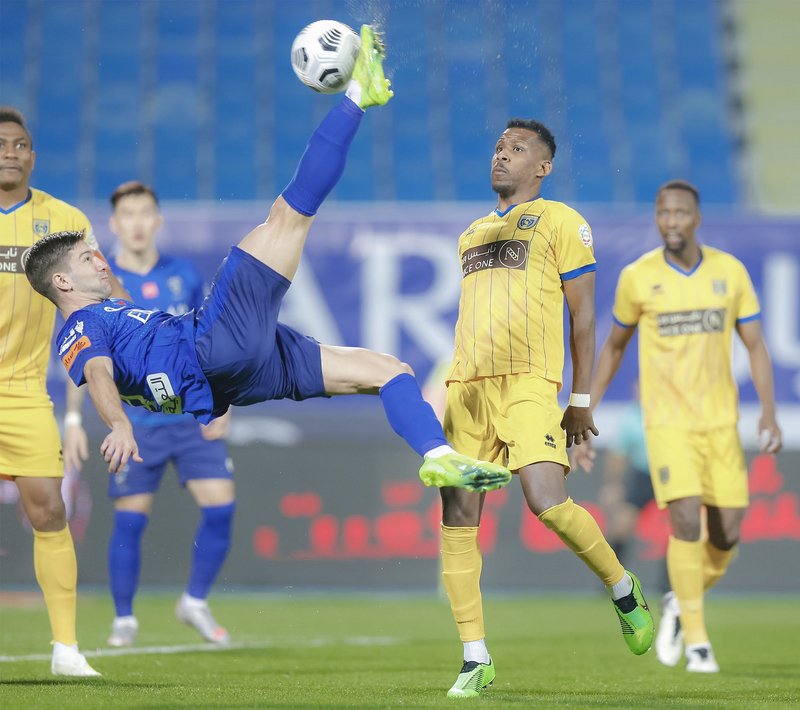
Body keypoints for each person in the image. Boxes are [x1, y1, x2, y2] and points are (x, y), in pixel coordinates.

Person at [23, 28, 511, 518]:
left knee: (390, 372)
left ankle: (438, 456)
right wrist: (119, 425)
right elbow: (99, 374)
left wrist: (104, 268)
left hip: (235, 382)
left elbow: (118, 317)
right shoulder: (81, 330)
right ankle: (361, 94)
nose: (98, 259)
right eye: (86, 259)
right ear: (62, 284)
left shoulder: (111, 314)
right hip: (212, 346)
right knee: (290, 214)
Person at [437, 119, 654, 698]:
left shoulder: (561, 221)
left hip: (530, 383)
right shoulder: (473, 234)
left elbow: (583, 316)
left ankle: (621, 585)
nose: (502, 156)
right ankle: (474, 657)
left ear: (543, 166)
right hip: (467, 388)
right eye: (499, 147)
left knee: (547, 502)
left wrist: (579, 401)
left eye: (517, 149)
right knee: (458, 519)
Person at [573, 179, 782, 673]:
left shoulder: (729, 273)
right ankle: (699, 642)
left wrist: (769, 410)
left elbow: (754, 344)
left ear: (697, 218)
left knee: (726, 534)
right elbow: (615, 347)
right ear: (657, 217)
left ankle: (676, 604)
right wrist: (586, 406)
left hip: (720, 423)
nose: (671, 221)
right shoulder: (638, 277)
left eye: (680, 213)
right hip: (666, 424)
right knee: (686, 519)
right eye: (663, 212)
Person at [64, 181, 237, 647]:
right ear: (114, 225)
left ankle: (195, 602)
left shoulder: (183, 274)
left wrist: (224, 403)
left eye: (146, 213)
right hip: (136, 423)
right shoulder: (98, 278)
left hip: (188, 416)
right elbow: (84, 355)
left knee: (221, 505)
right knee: (131, 519)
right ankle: (124, 618)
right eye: (129, 215)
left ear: (158, 220)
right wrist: (76, 418)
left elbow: (208, 341)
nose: (138, 223)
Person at [0, 107, 124, 676]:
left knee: (50, 510)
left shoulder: (64, 219)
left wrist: (129, 318)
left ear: (32, 154)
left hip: (25, 389)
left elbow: (102, 284)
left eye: (21, 144)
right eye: (2, 143)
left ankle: (67, 651)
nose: (11, 152)